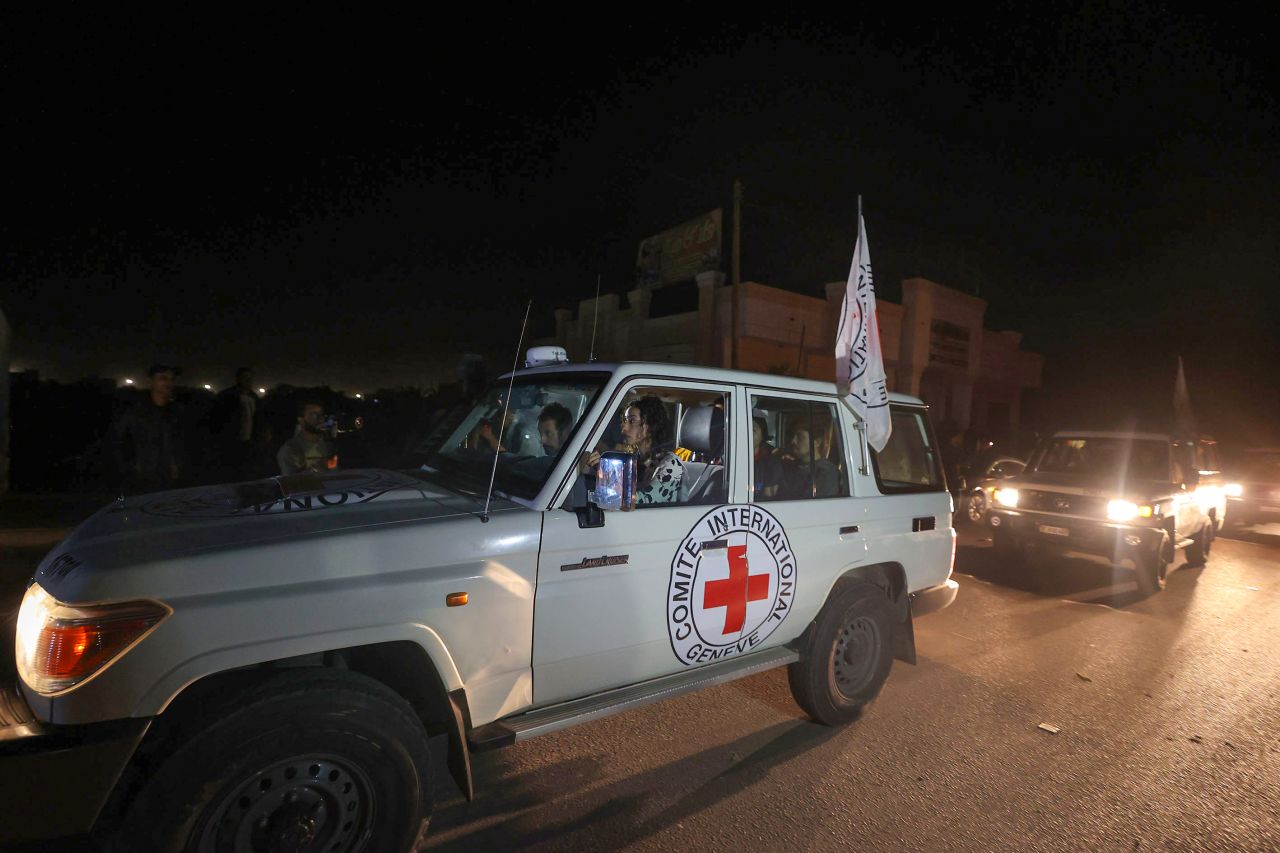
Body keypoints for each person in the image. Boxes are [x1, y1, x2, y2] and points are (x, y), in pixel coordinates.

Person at [583, 396, 683, 505]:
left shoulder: (671, 464)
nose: (624, 428)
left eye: (632, 421)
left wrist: (605, 471)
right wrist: (599, 467)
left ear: (650, 426)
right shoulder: (633, 460)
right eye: (625, 421)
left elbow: (644, 501)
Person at [111, 363, 187, 493]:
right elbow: (117, 441)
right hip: (141, 480)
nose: (168, 383)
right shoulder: (134, 411)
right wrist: (131, 467)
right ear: (151, 381)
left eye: (171, 379)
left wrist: (178, 466)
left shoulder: (177, 412)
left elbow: (183, 442)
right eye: (163, 378)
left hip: (171, 480)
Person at [210, 367, 263, 481]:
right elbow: (216, 419)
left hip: (249, 442)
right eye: (245, 378)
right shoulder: (226, 396)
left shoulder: (254, 397)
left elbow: (258, 419)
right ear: (238, 379)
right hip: (230, 441)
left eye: (250, 378)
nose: (248, 381)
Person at [780, 423, 839, 499]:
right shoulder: (790, 467)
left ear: (817, 442)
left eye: (800, 437)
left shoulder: (827, 472)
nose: (793, 441)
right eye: (793, 437)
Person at [277, 402, 336, 475]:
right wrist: (316, 468)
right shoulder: (290, 449)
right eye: (313, 415)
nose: (320, 418)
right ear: (301, 420)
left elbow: (336, 472)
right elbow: (291, 482)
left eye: (321, 414)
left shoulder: (329, 446)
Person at [752, 415, 782, 500]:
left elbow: (769, 500)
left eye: (753, 430)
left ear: (762, 436)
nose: (748, 433)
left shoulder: (771, 465)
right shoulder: (726, 461)